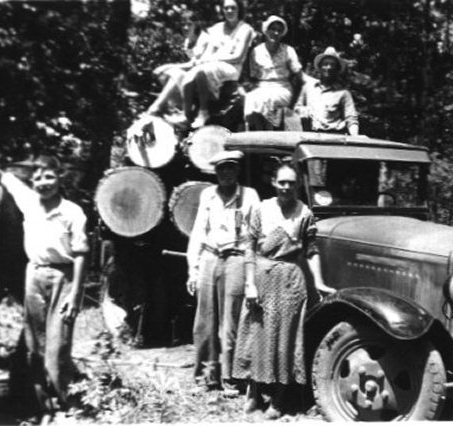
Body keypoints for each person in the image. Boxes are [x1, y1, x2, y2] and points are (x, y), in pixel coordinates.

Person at [0, 147, 88, 423]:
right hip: (34, 275)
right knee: (34, 347)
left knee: (57, 348)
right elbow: (1, 175)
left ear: (59, 177)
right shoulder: (28, 200)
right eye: (38, 178)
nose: (44, 183)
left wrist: (76, 295)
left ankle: (63, 408)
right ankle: (43, 408)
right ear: (32, 182)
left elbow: (81, 254)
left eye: (49, 177)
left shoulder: (73, 212)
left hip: (63, 277)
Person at [232, 164, 335, 419]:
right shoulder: (261, 209)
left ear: (297, 185)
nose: (286, 187)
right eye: (282, 182)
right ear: (274, 183)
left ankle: (279, 399)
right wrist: (250, 283)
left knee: (285, 339)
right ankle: (254, 393)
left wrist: (319, 281)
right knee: (257, 335)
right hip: (262, 278)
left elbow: (311, 250)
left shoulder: (305, 213)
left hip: (290, 281)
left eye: (291, 183)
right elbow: (249, 247)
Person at [186, 150, 260, 395]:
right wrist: (193, 269)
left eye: (230, 168)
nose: (226, 173)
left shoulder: (250, 196)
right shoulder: (208, 195)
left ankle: (231, 379)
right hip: (209, 257)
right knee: (204, 322)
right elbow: (198, 232)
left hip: (236, 259)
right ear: (215, 172)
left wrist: (251, 273)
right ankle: (205, 378)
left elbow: (255, 236)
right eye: (221, 169)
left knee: (231, 322)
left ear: (237, 170)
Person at [147, 0, 254, 129]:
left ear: (239, 9)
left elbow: (238, 57)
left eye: (233, 8)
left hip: (231, 67)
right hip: (211, 64)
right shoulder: (216, 29)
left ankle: (203, 112)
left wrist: (211, 59)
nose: (229, 11)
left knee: (201, 70)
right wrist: (200, 61)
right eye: (226, 8)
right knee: (191, 73)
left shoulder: (245, 29)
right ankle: (186, 115)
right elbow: (208, 52)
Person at [243, 15, 303, 130]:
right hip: (262, 87)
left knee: (267, 98)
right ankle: (257, 132)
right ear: (266, 31)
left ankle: (269, 132)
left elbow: (299, 77)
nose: (276, 33)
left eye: (279, 30)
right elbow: (253, 77)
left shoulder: (288, 50)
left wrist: (293, 103)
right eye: (272, 29)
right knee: (250, 98)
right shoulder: (256, 51)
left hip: (282, 88)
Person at [295, 46, 359, 135]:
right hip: (311, 135)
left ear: (337, 70)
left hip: (335, 136)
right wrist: (302, 111)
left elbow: (351, 118)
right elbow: (296, 107)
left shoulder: (344, 93)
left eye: (332, 65)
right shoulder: (307, 88)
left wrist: (355, 137)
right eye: (325, 64)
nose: (328, 67)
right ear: (320, 67)